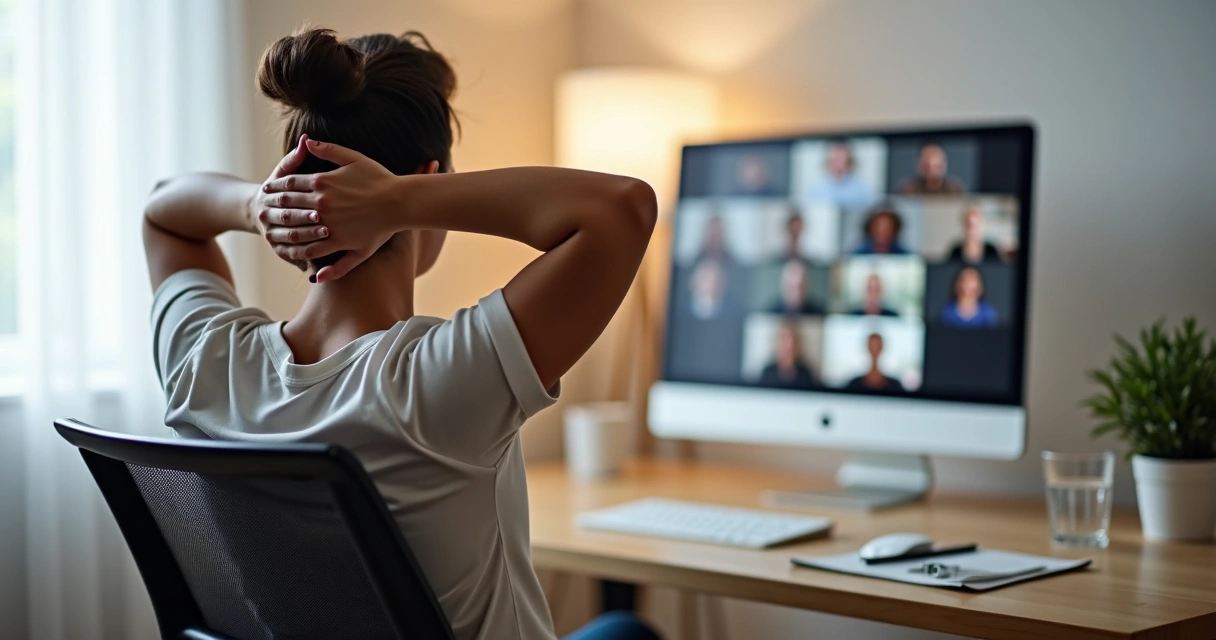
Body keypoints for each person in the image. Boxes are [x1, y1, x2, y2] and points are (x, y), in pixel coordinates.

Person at [141, 27, 661, 640]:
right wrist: (396, 200)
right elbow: (622, 208)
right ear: (427, 181)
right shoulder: (435, 381)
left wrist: (260, 205)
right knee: (627, 630)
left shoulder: (208, 358)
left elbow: (163, 211)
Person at [805, 139, 877, 210]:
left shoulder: (862, 189)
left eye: (842, 159)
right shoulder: (816, 188)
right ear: (829, 160)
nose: (839, 163)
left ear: (849, 160)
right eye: (836, 158)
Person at [758, 322, 817, 388]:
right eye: (785, 339)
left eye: (793, 340)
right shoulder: (768, 372)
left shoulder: (805, 374)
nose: (789, 345)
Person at [899, 142, 964, 195]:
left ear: (944, 164)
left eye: (936, 166)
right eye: (927, 166)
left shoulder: (954, 189)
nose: (932, 171)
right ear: (919, 165)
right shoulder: (907, 190)